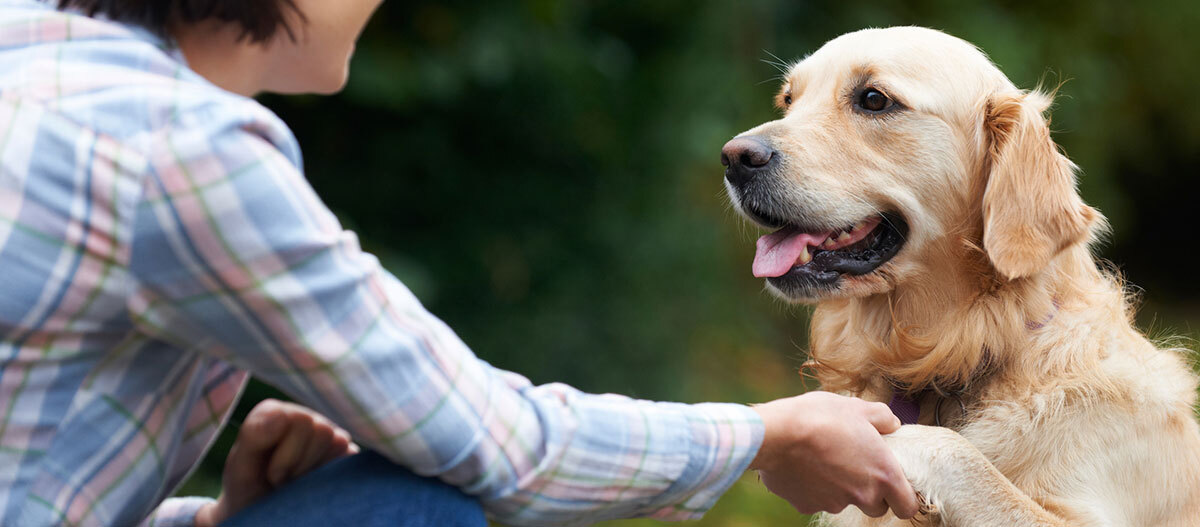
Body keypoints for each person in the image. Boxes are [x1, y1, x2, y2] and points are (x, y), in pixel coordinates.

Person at [0, 0, 921, 525]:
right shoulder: (183, 151)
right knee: (408, 503)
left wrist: (211, 518)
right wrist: (767, 433)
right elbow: (495, 443)